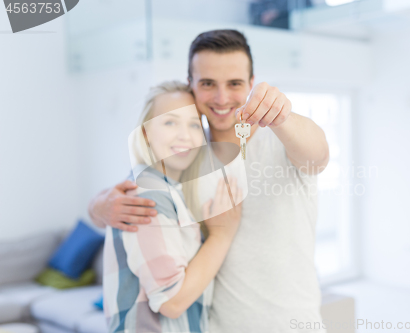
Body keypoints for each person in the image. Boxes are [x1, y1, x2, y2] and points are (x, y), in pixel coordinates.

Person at [90, 30, 329, 332]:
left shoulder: (281, 139)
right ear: (191, 84)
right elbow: (141, 187)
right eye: (207, 84)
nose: (221, 98)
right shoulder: (186, 152)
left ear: (251, 84)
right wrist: (99, 206)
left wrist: (283, 116)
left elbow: (318, 154)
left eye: (234, 84)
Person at [103, 81, 242, 333]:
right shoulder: (149, 194)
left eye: (194, 124)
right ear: (145, 132)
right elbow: (171, 301)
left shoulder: (170, 190)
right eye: (170, 122)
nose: (185, 135)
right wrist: (222, 236)